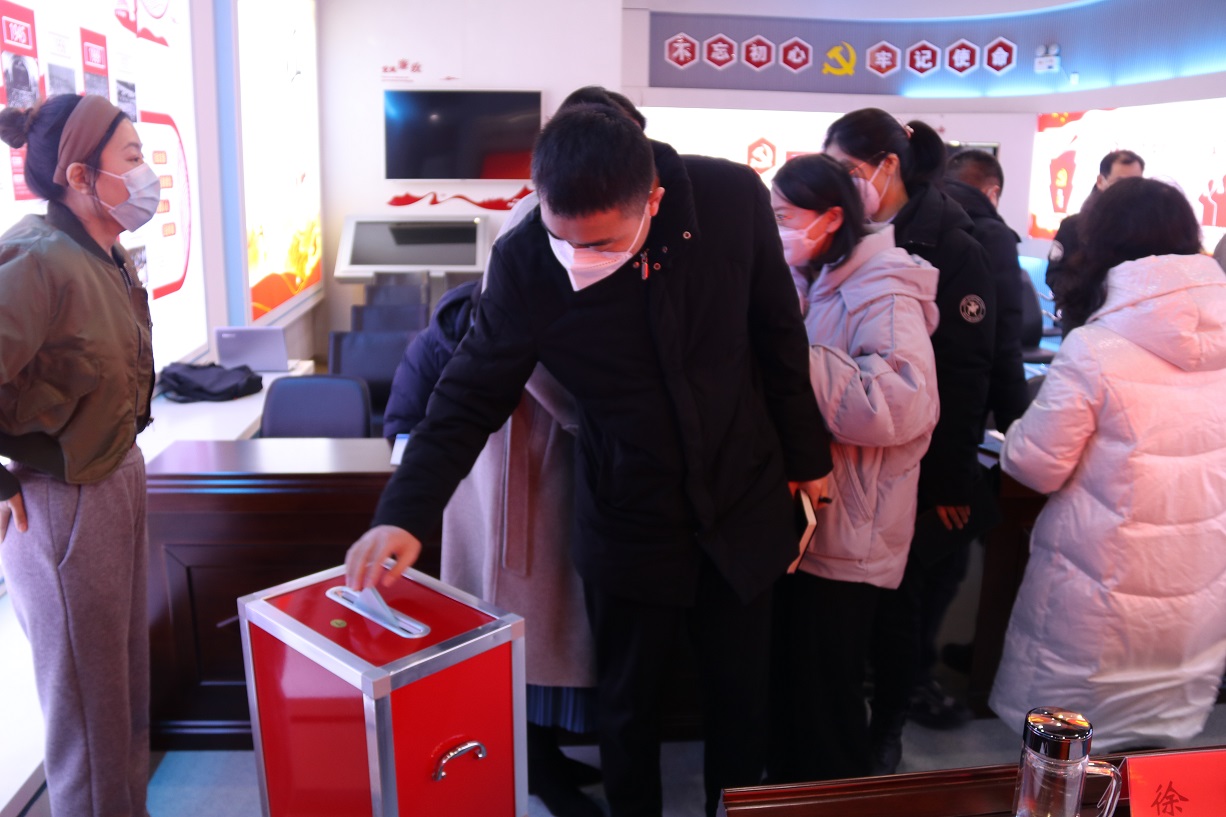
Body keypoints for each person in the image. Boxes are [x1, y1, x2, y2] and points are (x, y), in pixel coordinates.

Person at [346, 104, 832, 817]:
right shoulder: (526, 262)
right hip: (628, 512)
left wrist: (808, 460)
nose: (576, 258)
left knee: (739, 704)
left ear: (652, 200)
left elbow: (779, 338)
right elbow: (467, 395)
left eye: (599, 242)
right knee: (626, 711)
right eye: (561, 236)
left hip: (741, 495)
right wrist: (404, 512)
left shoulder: (730, 200)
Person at [990, 177, 1226, 751]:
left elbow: (1035, 466)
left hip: (1097, 606)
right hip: (1193, 600)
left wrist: (1013, 434)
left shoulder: (1096, 348)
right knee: (1155, 773)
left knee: (1065, 768)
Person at [822, 108, 996, 772]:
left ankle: (887, 726)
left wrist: (951, 478)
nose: (839, 183)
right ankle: (844, 728)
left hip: (917, 459)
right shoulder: (848, 231)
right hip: (851, 452)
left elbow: (966, 370)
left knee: (899, 606)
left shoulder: (950, 242)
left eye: (846, 169)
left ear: (887, 166)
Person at [0, 93, 158, 817]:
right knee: (87, 724)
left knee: (122, 696)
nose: (146, 172)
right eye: (132, 157)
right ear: (79, 175)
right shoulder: (36, 260)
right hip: (63, 502)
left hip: (117, 477)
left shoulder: (106, 254)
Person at [765, 153, 939, 782]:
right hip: (818, 518)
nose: (777, 228)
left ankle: (837, 794)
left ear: (832, 217)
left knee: (829, 695)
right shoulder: (815, 278)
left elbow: (902, 403)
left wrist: (794, 356)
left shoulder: (883, 290)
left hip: (856, 523)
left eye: (786, 216)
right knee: (799, 685)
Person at [944, 149, 1029, 430]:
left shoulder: (918, 218)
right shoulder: (993, 235)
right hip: (964, 387)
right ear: (993, 193)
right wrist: (1013, 417)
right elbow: (1004, 330)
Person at [1045, 149, 1144, 332]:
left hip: (1133, 328)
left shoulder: (1148, 230)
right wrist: (1086, 295)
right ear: (1101, 181)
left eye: (1135, 183)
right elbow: (1054, 276)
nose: (1128, 190)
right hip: (1083, 324)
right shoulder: (1074, 226)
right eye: (1120, 182)